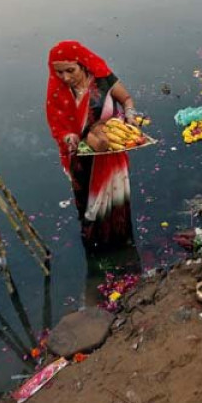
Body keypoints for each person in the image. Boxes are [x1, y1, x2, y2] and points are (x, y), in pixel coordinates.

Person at [45, 41, 138, 249]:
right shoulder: (58, 92)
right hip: (82, 158)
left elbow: (127, 99)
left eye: (71, 70)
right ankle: (95, 243)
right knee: (89, 202)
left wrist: (130, 117)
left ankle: (120, 242)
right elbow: (57, 124)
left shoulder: (103, 80)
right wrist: (69, 137)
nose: (66, 78)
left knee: (115, 200)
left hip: (111, 152)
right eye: (59, 72)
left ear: (83, 64)